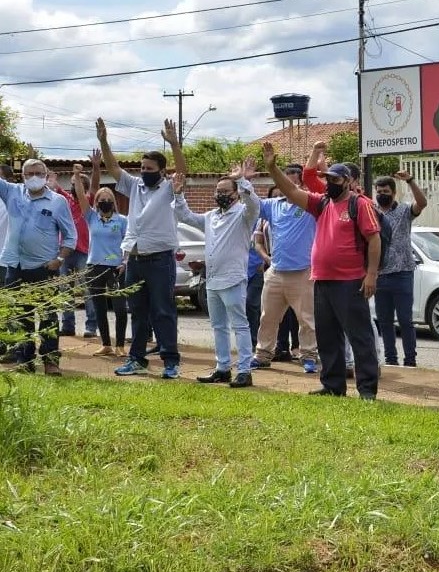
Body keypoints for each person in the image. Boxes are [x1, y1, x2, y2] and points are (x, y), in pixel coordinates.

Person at [265, 143, 381, 399]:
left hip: (351, 282)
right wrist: (272, 169)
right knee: (328, 337)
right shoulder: (322, 203)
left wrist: (371, 274)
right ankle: (332, 385)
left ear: (348, 181)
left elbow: (374, 239)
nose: (329, 183)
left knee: (360, 338)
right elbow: (293, 191)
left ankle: (367, 390)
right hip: (322, 281)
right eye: (327, 179)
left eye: (335, 179)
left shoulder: (359, 204)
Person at [97, 118, 184, 379]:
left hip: (160, 259)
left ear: (161, 169)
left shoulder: (170, 188)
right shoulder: (134, 185)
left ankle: (170, 361)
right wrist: (103, 140)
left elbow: (182, 168)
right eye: (142, 167)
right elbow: (112, 167)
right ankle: (136, 359)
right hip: (134, 258)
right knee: (138, 311)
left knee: (163, 310)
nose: (144, 170)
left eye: (149, 167)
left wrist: (173, 143)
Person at [174, 158, 263, 388]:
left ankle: (244, 370)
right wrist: (178, 194)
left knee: (240, 326)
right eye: (218, 190)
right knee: (218, 327)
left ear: (235, 194)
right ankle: (222, 368)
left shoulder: (244, 214)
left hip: (233, 279)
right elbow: (186, 217)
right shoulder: (211, 216)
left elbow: (254, 204)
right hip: (211, 280)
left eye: (225, 190)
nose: (220, 194)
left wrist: (241, 179)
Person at [0, 159, 78, 375]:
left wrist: (59, 260)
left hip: (45, 268)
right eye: (29, 173)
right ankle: (23, 361)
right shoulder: (12, 193)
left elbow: (71, 236)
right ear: (22, 176)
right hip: (15, 266)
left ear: (45, 174)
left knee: (47, 316)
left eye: (38, 172)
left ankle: (50, 361)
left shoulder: (58, 201)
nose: (33, 177)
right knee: (19, 316)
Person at [251, 160, 318, 374]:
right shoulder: (273, 205)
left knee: (307, 320)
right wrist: (245, 181)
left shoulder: (310, 204)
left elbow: (317, 187)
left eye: (293, 181)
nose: (288, 185)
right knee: (267, 317)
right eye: (284, 180)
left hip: (303, 272)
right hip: (276, 273)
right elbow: (252, 205)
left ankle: (308, 356)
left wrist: (315, 158)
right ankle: (262, 355)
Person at [72, 167, 127, 357]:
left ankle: (120, 345)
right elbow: (80, 195)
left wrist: (125, 262)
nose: (105, 202)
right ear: (96, 202)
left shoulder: (122, 221)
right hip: (94, 266)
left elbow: (128, 244)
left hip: (115, 268)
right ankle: (106, 344)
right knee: (99, 307)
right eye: (101, 200)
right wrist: (77, 176)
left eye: (108, 200)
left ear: (114, 202)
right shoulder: (91, 217)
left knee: (120, 308)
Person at [373, 172, 426, 367]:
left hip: (402, 273)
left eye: (385, 191)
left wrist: (411, 181)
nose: (382, 194)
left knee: (405, 320)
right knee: (384, 321)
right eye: (379, 192)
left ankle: (410, 359)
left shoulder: (404, 211)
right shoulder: (372, 212)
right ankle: (390, 359)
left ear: (394, 193)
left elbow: (422, 203)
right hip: (380, 274)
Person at [51, 162, 94, 337]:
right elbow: (57, 189)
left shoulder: (89, 200)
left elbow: (92, 185)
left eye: (77, 183)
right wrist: (53, 181)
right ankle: (68, 326)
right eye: (72, 183)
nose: (73, 186)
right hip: (66, 251)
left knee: (87, 290)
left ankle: (91, 327)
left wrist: (79, 174)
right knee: (64, 290)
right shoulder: (65, 199)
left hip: (84, 251)